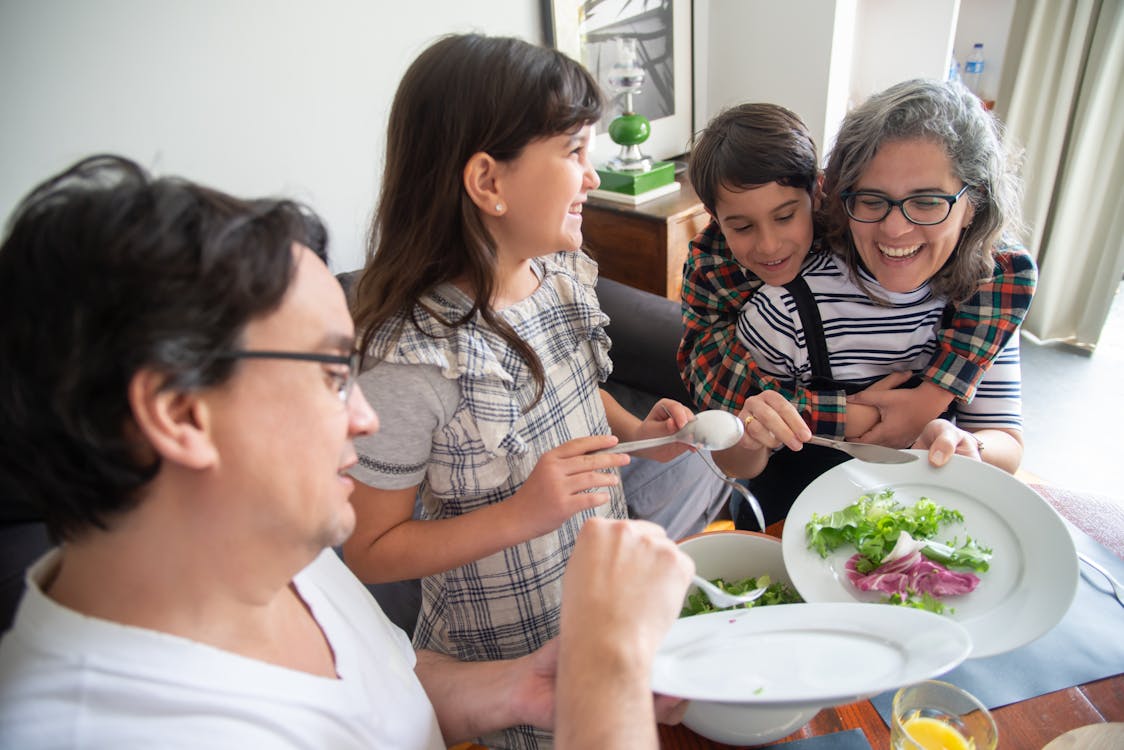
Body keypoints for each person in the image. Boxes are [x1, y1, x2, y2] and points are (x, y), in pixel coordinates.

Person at [0, 155, 695, 749]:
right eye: (334, 376)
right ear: (181, 413)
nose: (365, 418)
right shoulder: (106, 732)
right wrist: (609, 672)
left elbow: (385, 688)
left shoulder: (270, 552)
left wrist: (521, 689)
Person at [339, 35, 721, 748]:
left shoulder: (560, 275)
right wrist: (523, 512)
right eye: (575, 151)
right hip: (506, 657)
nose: (592, 174)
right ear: (489, 182)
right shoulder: (411, 360)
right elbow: (368, 547)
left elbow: (576, 389)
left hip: (596, 610)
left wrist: (636, 434)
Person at [715, 80, 1030, 516]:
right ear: (841, 198)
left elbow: (1005, 442)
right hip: (788, 529)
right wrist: (751, 434)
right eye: (871, 200)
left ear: (971, 204)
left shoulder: (985, 297)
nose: (895, 230)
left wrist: (966, 445)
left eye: (925, 202)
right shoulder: (786, 307)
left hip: (922, 531)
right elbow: (734, 463)